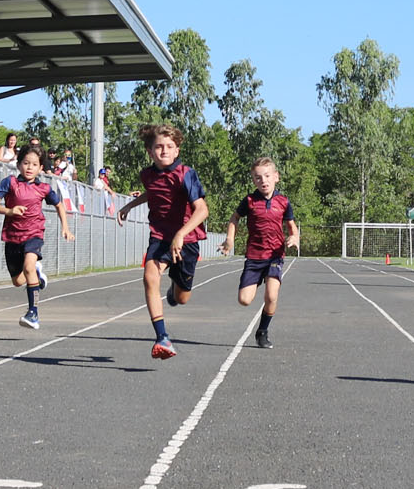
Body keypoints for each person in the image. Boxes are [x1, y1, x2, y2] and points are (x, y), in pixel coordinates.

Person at [116, 124, 209, 359]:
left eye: (169, 147)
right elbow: (153, 192)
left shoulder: (186, 174)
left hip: (186, 240)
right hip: (159, 236)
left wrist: (180, 234)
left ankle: (174, 290)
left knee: (182, 298)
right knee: (149, 275)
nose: (164, 151)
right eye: (159, 147)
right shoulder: (147, 175)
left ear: (177, 150)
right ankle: (162, 338)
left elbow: (202, 210)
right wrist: (129, 205)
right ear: (149, 151)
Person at [0, 145, 74, 330]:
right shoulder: (10, 183)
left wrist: (65, 227)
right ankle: (38, 277)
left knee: (28, 267)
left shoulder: (43, 188)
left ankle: (33, 313)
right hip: (12, 236)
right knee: (18, 281)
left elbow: (59, 205)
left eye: (34, 164)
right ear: (18, 165)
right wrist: (9, 210)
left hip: (34, 233)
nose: (29, 167)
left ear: (41, 168)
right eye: (26, 163)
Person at [221, 157, 299, 349]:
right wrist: (230, 239)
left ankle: (262, 332)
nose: (263, 181)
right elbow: (234, 218)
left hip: (275, 255)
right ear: (253, 180)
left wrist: (294, 237)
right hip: (254, 257)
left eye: (267, 176)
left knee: (271, 296)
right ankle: (256, 280)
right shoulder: (249, 201)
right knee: (244, 300)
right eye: (258, 177)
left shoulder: (283, 202)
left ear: (276, 177)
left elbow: (291, 226)